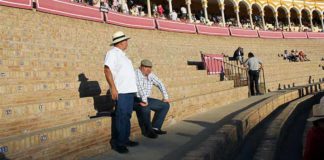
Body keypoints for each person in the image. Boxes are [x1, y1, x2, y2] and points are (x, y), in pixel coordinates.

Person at [104, 31, 138, 154]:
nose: (127, 43)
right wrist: (113, 88)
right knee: (121, 116)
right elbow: (107, 70)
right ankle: (118, 143)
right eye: (125, 40)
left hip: (129, 91)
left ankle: (125, 139)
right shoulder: (112, 53)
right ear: (120, 42)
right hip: (122, 91)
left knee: (127, 116)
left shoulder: (123, 55)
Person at [134, 59, 170, 139]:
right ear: (141, 67)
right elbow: (140, 87)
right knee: (145, 109)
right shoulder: (136, 73)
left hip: (145, 98)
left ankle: (155, 128)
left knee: (165, 105)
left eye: (150, 68)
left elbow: (160, 83)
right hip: (134, 99)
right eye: (146, 67)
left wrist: (165, 97)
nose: (149, 70)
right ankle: (148, 132)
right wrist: (144, 101)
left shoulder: (149, 74)